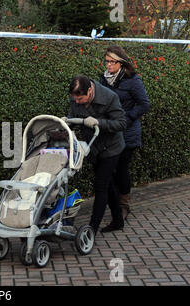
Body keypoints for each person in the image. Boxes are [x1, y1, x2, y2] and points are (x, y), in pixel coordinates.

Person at [63, 75, 127, 234]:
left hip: (111, 148)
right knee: (108, 184)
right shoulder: (76, 98)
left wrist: (99, 122)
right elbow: (74, 116)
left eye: (80, 99)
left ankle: (92, 228)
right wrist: (67, 122)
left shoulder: (109, 97)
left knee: (100, 186)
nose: (77, 102)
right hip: (92, 148)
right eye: (75, 99)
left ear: (90, 91)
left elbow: (121, 123)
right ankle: (118, 220)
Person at [99, 46, 150, 221]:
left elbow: (144, 104)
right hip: (109, 132)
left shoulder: (132, 80)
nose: (109, 65)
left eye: (113, 61)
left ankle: (123, 205)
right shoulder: (103, 80)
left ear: (121, 63)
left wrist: (126, 119)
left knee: (121, 169)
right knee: (108, 169)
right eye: (107, 61)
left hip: (127, 133)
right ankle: (113, 202)